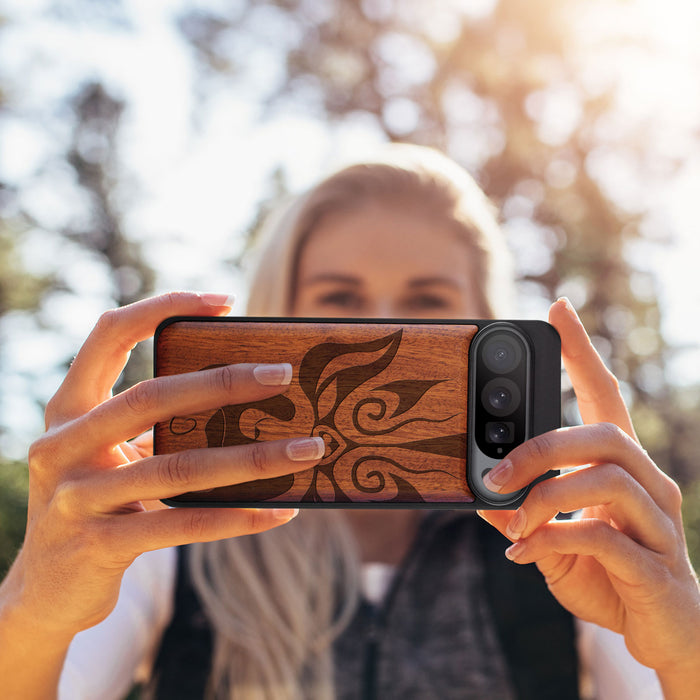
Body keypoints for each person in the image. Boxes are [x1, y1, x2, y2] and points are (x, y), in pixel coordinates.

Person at [0, 145, 698, 700]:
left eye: (427, 302)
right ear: (278, 313)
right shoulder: (170, 535)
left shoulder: (568, 543)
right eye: (340, 299)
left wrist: (685, 648)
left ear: (487, 322)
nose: (383, 330)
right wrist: (34, 607)